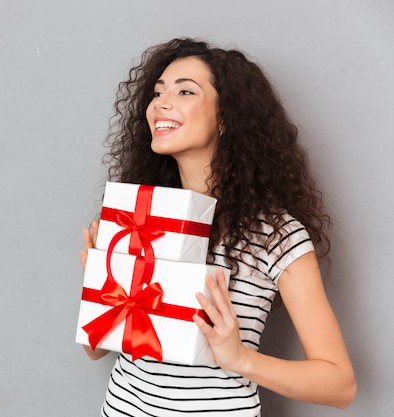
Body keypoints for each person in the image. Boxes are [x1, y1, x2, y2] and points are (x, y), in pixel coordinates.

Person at [79, 38, 356, 417]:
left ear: (227, 117)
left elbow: (339, 385)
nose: (160, 101)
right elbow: (95, 349)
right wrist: (103, 290)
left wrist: (239, 357)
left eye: (185, 91)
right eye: (157, 91)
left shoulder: (276, 235)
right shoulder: (137, 218)